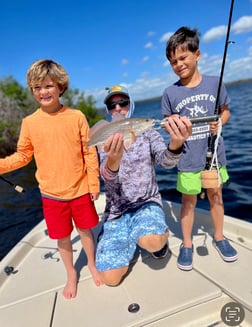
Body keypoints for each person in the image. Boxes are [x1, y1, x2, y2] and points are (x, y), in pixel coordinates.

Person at [0, 59, 103, 298]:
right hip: (51, 196)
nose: (43, 92)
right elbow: (23, 156)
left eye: (48, 86)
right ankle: (71, 274)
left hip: (79, 190)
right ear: (33, 91)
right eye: (37, 88)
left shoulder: (77, 116)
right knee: (63, 239)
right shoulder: (29, 123)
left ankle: (92, 264)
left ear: (60, 87)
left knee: (86, 232)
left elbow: (89, 151)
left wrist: (93, 182)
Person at [95, 85, 192, 286]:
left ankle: (151, 239)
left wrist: (176, 142)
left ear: (131, 105)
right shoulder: (103, 138)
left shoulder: (148, 132)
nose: (118, 108)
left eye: (123, 103)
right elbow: (104, 176)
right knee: (110, 279)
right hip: (116, 211)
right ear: (107, 109)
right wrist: (113, 160)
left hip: (146, 202)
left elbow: (166, 162)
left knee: (152, 241)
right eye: (112, 105)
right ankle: (127, 236)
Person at [161, 26, 238, 271]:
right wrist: (175, 130)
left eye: (183, 57)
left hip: (214, 157)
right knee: (188, 202)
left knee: (217, 197)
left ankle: (219, 237)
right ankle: (186, 244)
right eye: (173, 61)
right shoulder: (170, 93)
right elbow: (168, 126)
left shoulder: (216, 84)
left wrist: (220, 122)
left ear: (197, 54)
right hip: (188, 160)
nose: (178, 64)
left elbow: (226, 112)